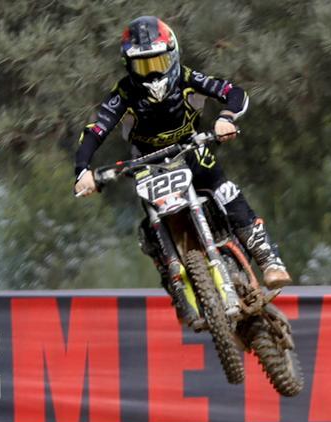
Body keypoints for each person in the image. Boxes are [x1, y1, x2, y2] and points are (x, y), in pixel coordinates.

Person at [73, 15, 292, 302]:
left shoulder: (188, 77)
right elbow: (95, 130)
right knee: (148, 224)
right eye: (143, 66)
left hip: (189, 147)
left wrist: (226, 118)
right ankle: (173, 279)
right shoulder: (124, 93)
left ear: (172, 54)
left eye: (158, 63)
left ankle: (267, 258)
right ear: (129, 65)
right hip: (147, 162)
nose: (152, 73)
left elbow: (233, 93)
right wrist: (82, 171)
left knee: (224, 190)